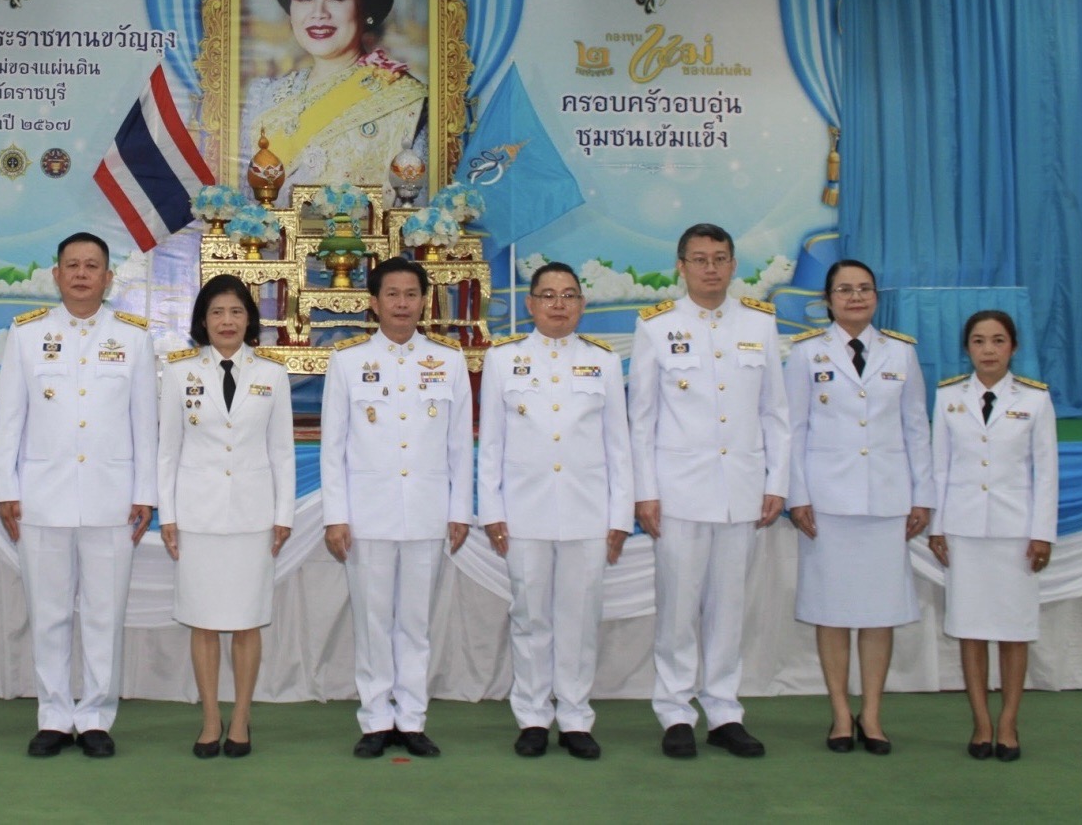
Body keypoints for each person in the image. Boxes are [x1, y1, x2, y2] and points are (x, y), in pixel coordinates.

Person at [0, 232, 156, 759]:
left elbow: (145, 422)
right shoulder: (25, 335)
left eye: (92, 266)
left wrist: (145, 492)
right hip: (43, 496)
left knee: (105, 613)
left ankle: (96, 717)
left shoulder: (132, 336)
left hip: (112, 497)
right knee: (50, 611)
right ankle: (54, 715)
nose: (82, 274)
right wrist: (5, 489)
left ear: (109, 278)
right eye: (72, 265)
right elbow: (8, 420)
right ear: (56, 275)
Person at [628, 222, 788, 759]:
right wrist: (645, 491)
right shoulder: (655, 326)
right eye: (699, 259)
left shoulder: (760, 324)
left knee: (728, 604)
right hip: (679, 491)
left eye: (720, 258)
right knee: (678, 606)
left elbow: (775, 412)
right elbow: (642, 417)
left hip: (742, 488)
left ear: (733, 263)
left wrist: (777, 482)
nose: (711, 268)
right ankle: (675, 711)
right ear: (681, 266)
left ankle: (723, 710)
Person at [477, 262, 632, 761]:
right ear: (530, 304)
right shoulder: (503, 360)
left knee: (580, 618)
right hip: (525, 511)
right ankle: (533, 717)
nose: (558, 304)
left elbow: (619, 447)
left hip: (588, 511)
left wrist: (618, 517)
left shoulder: (604, 363)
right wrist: (492, 511)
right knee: (530, 616)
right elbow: (491, 444)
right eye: (548, 295)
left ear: (582, 304)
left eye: (568, 295)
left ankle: (576, 716)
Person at [321, 256, 471, 759]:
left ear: (423, 300)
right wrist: (336, 515)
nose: (402, 303)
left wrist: (459, 510)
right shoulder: (347, 361)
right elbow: (333, 446)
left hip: (428, 510)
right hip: (368, 513)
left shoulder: (449, 360)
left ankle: (411, 717)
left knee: (414, 622)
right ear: (374, 302)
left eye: (411, 294)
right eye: (392, 294)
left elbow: (458, 445)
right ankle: (375, 718)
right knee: (373, 619)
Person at [784, 260, 934, 755]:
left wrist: (922, 494)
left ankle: (871, 714)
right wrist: (797, 495)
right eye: (844, 290)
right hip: (827, 503)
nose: (855, 297)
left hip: (887, 500)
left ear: (876, 296)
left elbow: (916, 427)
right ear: (827, 299)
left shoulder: (902, 353)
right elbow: (795, 430)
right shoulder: (806, 353)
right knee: (831, 611)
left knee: (878, 613)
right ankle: (840, 716)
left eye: (864, 289)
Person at [157, 275, 295, 759]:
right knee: (203, 622)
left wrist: (283, 515)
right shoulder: (179, 373)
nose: (227, 321)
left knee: (246, 622)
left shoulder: (271, 374)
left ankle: (241, 718)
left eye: (236, 312)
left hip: (254, 516)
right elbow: (167, 452)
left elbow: (282, 451)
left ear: (249, 319)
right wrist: (168, 516)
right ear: (202, 321)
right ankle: (210, 718)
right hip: (198, 515)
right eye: (217, 312)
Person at [928, 310, 1057, 762]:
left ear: (1013, 348)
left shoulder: (1036, 401)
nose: (988, 350)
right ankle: (982, 723)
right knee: (971, 630)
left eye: (998, 341)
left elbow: (1046, 474)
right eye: (979, 341)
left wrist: (1042, 534)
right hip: (964, 530)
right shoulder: (948, 398)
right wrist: (938, 526)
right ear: (967, 348)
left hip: (1015, 532)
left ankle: (1009, 722)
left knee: (1014, 630)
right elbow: (939, 467)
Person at [242, 0, 428, 201]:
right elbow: (245, 205)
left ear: (365, 6)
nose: (318, 13)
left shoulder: (405, 99)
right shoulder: (265, 98)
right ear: (290, 10)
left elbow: (419, 211)